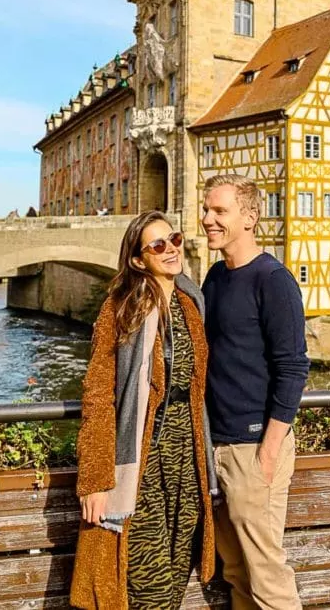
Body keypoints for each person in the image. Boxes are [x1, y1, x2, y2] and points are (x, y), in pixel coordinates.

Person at [70, 210, 217, 610]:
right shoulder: (121, 308)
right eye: (158, 245)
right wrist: (96, 479)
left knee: (174, 576)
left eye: (174, 239)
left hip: (188, 459)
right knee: (145, 582)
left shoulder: (192, 302)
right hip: (142, 461)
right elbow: (99, 393)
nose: (171, 249)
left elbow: (198, 386)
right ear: (139, 259)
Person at [201, 174, 310, 610]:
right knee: (235, 572)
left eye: (219, 211)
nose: (207, 219)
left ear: (249, 218)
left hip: (254, 448)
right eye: (206, 210)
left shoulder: (273, 280)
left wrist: (268, 451)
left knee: (267, 578)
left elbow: (293, 368)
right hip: (219, 444)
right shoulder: (215, 277)